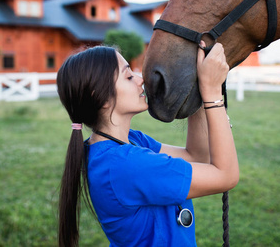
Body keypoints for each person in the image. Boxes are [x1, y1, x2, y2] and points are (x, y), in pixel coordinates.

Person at [56, 43, 238, 247]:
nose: (140, 80)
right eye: (128, 76)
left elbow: (196, 156)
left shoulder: (128, 143)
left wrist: (195, 85)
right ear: (100, 97)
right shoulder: (125, 165)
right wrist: (212, 94)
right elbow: (226, 175)